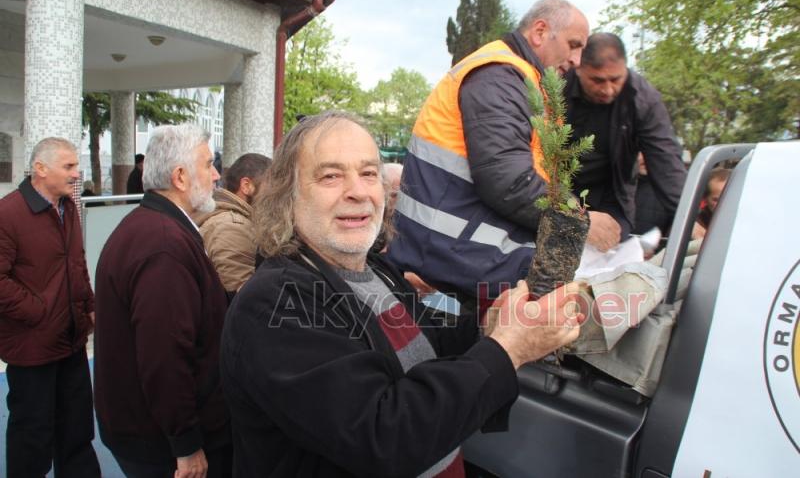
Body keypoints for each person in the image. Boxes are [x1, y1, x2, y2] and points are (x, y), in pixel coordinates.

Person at [220, 111, 584, 477]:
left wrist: (489, 326)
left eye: (368, 173)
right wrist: (507, 349)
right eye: (331, 176)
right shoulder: (274, 303)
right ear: (288, 194)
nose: (358, 191)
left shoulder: (375, 269)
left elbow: (429, 342)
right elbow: (383, 438)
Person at [387, 0, 590, 312]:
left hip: (459, 253)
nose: (577, 60)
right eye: (573, 45)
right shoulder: (501, 76)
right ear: (540, 32)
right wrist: (574, 216)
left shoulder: (521, 81)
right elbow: (508, 180)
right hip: (456, 259)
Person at [94, 124, 231, 477]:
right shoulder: (164, 245)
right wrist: (185, 443)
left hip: (147, 431)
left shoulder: (153, 226)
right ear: (180, 176)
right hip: (159, 444)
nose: (216, 175)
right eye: (208, 164)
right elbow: (164, 356)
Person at [0, 137, 100, 477]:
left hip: (71, 340)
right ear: (40, 169)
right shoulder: (8, 213)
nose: (76, 174)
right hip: (32, 347)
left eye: (76, 166)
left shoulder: (68, 208)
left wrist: (89, 306)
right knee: (33, 435)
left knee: (77, 431)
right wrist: (38, 311)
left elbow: (76, 264)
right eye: (68, 166)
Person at [564, 32, 687, 252]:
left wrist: (689, 218)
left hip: (612, 196)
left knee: (608, 254)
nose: (607, 89)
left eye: (615, 79)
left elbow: (667, 164)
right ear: (580, 68)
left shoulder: (643, 99)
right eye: (597, 80)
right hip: (558, 189)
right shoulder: (557, 87)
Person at [196, 152, 272, 295]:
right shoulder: (232, 227)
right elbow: (242, 295)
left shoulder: (234, 220)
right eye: (271, 186)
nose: (274, 194)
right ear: (246, 186)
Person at [694, 166, 731, 237]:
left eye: (729, 197)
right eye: (717, 200)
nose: (724, 203)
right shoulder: (699, 223)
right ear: (705, 199)